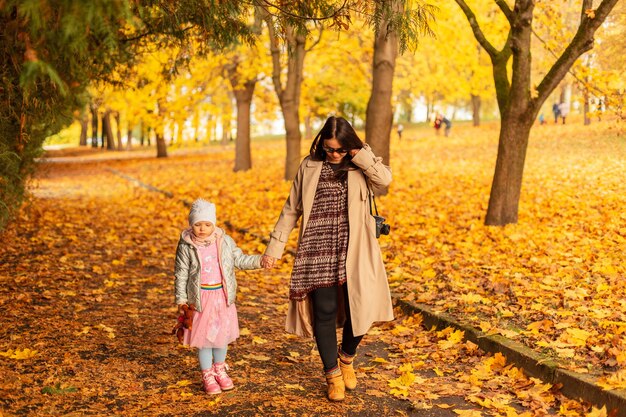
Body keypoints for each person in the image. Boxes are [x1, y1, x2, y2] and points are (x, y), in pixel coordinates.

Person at [261, 116, 394, 402]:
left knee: (363, 306)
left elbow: (385, 180)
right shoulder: (309, 166)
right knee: (324, 310)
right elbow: (291, 208)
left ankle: (347, 357)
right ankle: (332, 375)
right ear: (321, 141)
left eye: (339, 149)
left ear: (349, 146)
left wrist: (359, 154)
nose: (333, 154)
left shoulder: (360, 164)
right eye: (328, 148)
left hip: (355, 248)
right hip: (316, 247)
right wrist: (275, 248)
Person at [174, 198, 270, 395]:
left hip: (221, 297)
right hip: (200, 300)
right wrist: (181, 299)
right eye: (198, 224)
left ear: (214, 224)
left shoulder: (224, 241)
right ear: (191, 224)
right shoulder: (186, 245)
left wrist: (260, 260)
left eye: (207, 224)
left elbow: (240, 259)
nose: (202, 228)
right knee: (203, 339)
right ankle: (207, 374)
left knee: (220, 337)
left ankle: (220, 369)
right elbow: (181, 272)